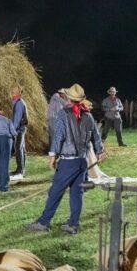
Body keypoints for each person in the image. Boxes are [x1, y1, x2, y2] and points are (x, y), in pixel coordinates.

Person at [26, 83, 107, 235]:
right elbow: (96, 137)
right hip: (82, 162)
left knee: (55, 192)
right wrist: (100, 152)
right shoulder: (88, 116)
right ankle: (73, 225)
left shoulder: (63, 114)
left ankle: (44, 223)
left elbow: (58, 136)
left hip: (68, 161)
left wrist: (52, 156)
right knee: (77, 193)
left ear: (68, 98)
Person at [10, 86, 29, 180]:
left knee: (19, 148)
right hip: (20, 128)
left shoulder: (19, 103)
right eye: (12, 91)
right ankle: (20, 169)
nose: (12, 93)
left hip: (20, 128)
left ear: (19, 93)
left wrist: (12, 131)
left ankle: (20, 170)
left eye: (14, 92)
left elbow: (17, 119)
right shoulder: (17, 102)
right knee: (21, 148)